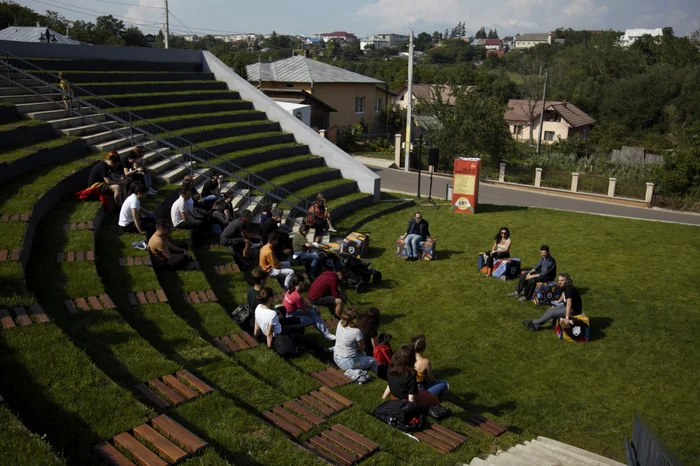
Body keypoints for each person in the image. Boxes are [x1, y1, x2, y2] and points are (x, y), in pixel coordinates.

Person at [254, 287, 331, 357]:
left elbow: (256, 327)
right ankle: (324, 351)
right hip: (279, 334)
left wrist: (256, 337)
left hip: (278, 329)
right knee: (306, 340)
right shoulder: (272, 314)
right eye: (274, 296)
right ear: (270, 298)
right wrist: (269, 348)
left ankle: (301, 333)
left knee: (300, 328)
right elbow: (270, 334)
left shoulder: (258, 307)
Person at [282, 273, 335, 340]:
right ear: (301, 283)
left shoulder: (291, 289)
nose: (305, 284)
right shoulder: (296, 296)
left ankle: (326, 334)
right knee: (312, 319)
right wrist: (315, 313)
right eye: (304, 282)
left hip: (289, 312)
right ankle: (326, 334)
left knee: (313, 313)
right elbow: (305, 310)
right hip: (289, 317)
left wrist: (314, 307)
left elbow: (303, 300)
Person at [333, 307, 378, 374]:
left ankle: (360, 367)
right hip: (348, 363)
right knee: (373, 361)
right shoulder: (356, 332)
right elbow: (362, 348)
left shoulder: (340, 323)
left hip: (336, 357)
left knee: (362, 355)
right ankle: (376, 375)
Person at [411, 334, 449, 399]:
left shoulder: (407, 357)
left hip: (408, 386)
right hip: (419, 390)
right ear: (424, 348)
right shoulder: (425, 362)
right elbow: (431, 378)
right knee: (444, 384)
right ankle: (436, 399)